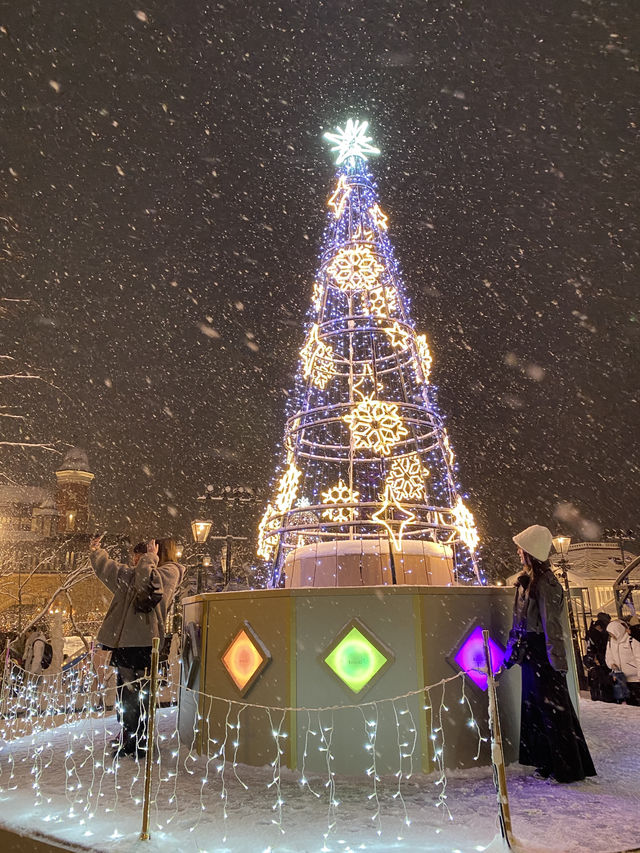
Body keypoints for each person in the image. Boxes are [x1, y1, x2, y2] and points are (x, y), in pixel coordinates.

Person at [504, 524, 596, 783]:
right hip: (532, 654)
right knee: (537, 710)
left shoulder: (545, 584)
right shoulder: (527, 582)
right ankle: (548, 761)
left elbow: (551, 625)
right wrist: (511, 655)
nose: (519, 553)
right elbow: (519, 622)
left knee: (553, 711)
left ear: (530, 551)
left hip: (542, 654)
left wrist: (557, 660)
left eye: (521, 549)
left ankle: (566, 767)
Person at [89, 535, 184, 758]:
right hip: (124, 644)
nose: (135, 560)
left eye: (139, 556)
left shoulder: (169, 572)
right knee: (125, 694)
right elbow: (111, 571)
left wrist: (149, 558)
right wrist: (97, 552)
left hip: (144, 645)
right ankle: (128, 734)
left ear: (159, 552)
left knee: (139, 695)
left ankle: (140, 739)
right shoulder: (140, 571)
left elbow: (146, 585)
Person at [605, 618, 639, 705]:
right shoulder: (610, 642)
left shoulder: (631, 640)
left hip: (635, 679)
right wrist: (611, 664)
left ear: (618, 631)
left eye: (612, 633)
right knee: (629, 705)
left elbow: (638, 658)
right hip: (621, 678)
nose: (611, 636)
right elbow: (609, 656)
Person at [584, 612, 613, 703]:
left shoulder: (592, 631)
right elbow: (600, 647)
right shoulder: (600, 632)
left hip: (598, 663)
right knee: (603, 683)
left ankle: (599, 697)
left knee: (598, 683)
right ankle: (604, 698)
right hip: (601, 662)